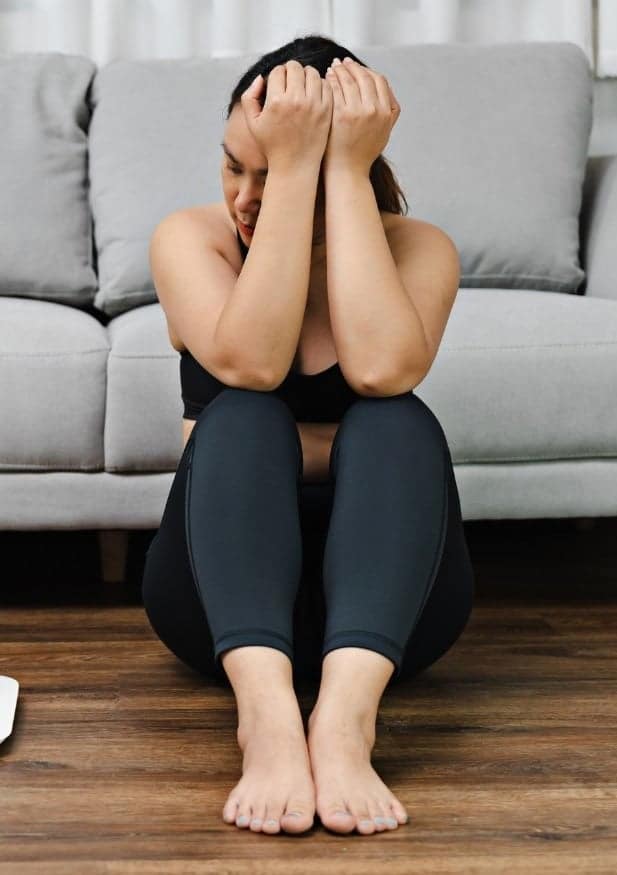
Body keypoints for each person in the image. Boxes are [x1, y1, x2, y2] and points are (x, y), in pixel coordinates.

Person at [141, 34, 475, 838]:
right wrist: (293, 173)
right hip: (221, 600)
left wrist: (341, 174)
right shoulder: (191, 240)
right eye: (235, 167)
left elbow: (381, 370)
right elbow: (252, 366)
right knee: (242, 417)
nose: (245, 197)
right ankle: (265, 723)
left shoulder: (419, 248)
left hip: (390, 614)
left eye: (277, 171)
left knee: (395, 419)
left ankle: (345, 724)